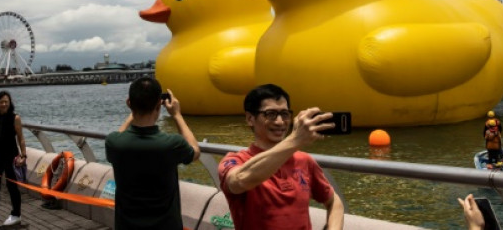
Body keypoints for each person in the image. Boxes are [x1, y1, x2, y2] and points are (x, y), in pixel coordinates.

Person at [218, 84, 344, 230]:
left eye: (284, 114)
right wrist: (295, 140)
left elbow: (334, 201)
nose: (279, 122)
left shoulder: (304, 161)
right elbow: (239, 181)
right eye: (270, 114)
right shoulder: (235, 160)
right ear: (250, 118)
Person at [105, 77, 201, 230]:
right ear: (159, 105)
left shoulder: (114, 142)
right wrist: (177, 115)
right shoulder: (172, 144)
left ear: (129, 103)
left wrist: (134, 112)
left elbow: (120, 134)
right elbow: (195, 151)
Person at [0, 91, 27, 230]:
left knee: (12, 186)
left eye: (6, 102)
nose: (4, 104)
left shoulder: (15, 118)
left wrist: (23, 155)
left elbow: (21, 138)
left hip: (11, 156)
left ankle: (16, 214)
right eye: (1, 102)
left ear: (10, 103)